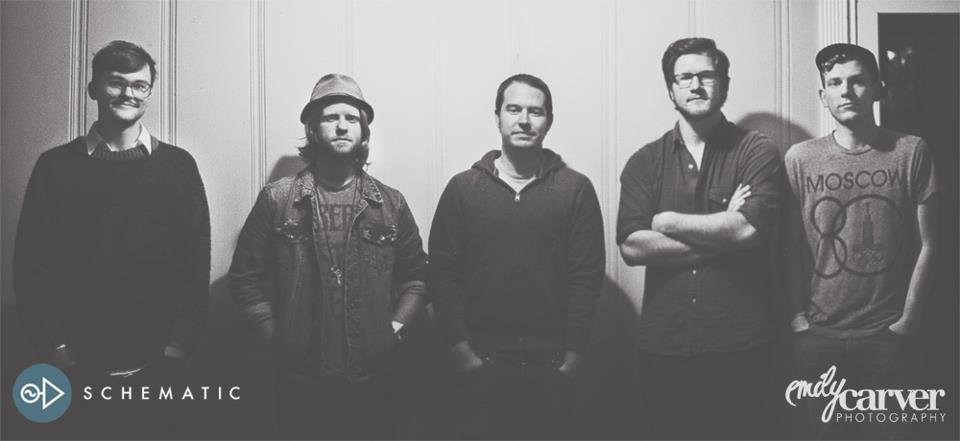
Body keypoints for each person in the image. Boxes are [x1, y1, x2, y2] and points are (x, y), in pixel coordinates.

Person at [14, 40, 210, 439]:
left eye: (139, 85)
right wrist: (55, 348)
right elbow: (31, 264)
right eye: (116, 82)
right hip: (74, 365)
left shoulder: (179, 166)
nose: (128, 93)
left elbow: (195, 260)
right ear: (93, 89)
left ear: (149, 94)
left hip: (160, 365)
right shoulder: (54, 167)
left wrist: (179, 346)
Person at [228, 73, 428, 439]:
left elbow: (417, 276)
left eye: (351, 118)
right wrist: (275, 334)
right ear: (312, 129)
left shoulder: (390, 203)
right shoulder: (277, 198)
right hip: (299, 377)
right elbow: (244, 277)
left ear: (363, 131)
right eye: (330, 117)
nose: (341, 126)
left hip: (373, 377)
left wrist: (394, 329)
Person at [616, 37, 782, 439]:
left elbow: (749, 229)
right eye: (685, 77)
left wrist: (668, 221)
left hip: (740, 344)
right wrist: (725, 230)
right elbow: (632, 247)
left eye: (707, 75)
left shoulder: (755, 151)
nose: (696, 85)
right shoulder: (645, 161)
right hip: (664, 346)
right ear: (670, 89)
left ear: (724, 83)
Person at [428, 73, 605, 439]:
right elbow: (442, 274)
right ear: (497, 117)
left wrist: (572, 358)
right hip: (480, 364)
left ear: (549, 121)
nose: (524, 120)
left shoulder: (575, 190)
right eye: (513, 109)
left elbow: (586, 278)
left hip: (551, 366)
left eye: (535, 111)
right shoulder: (463, 189)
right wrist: (461, 351)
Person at [784, 43, 937, 440]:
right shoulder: (800, 158)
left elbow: (932, 244)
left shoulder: (911, 151)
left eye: (857, 81)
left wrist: (908, 321)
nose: (846, 91)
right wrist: (797, 318)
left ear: (878, 89)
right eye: (835, 83)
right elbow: (786, 247)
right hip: (818, 336)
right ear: (823, 96)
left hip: (888, 335)